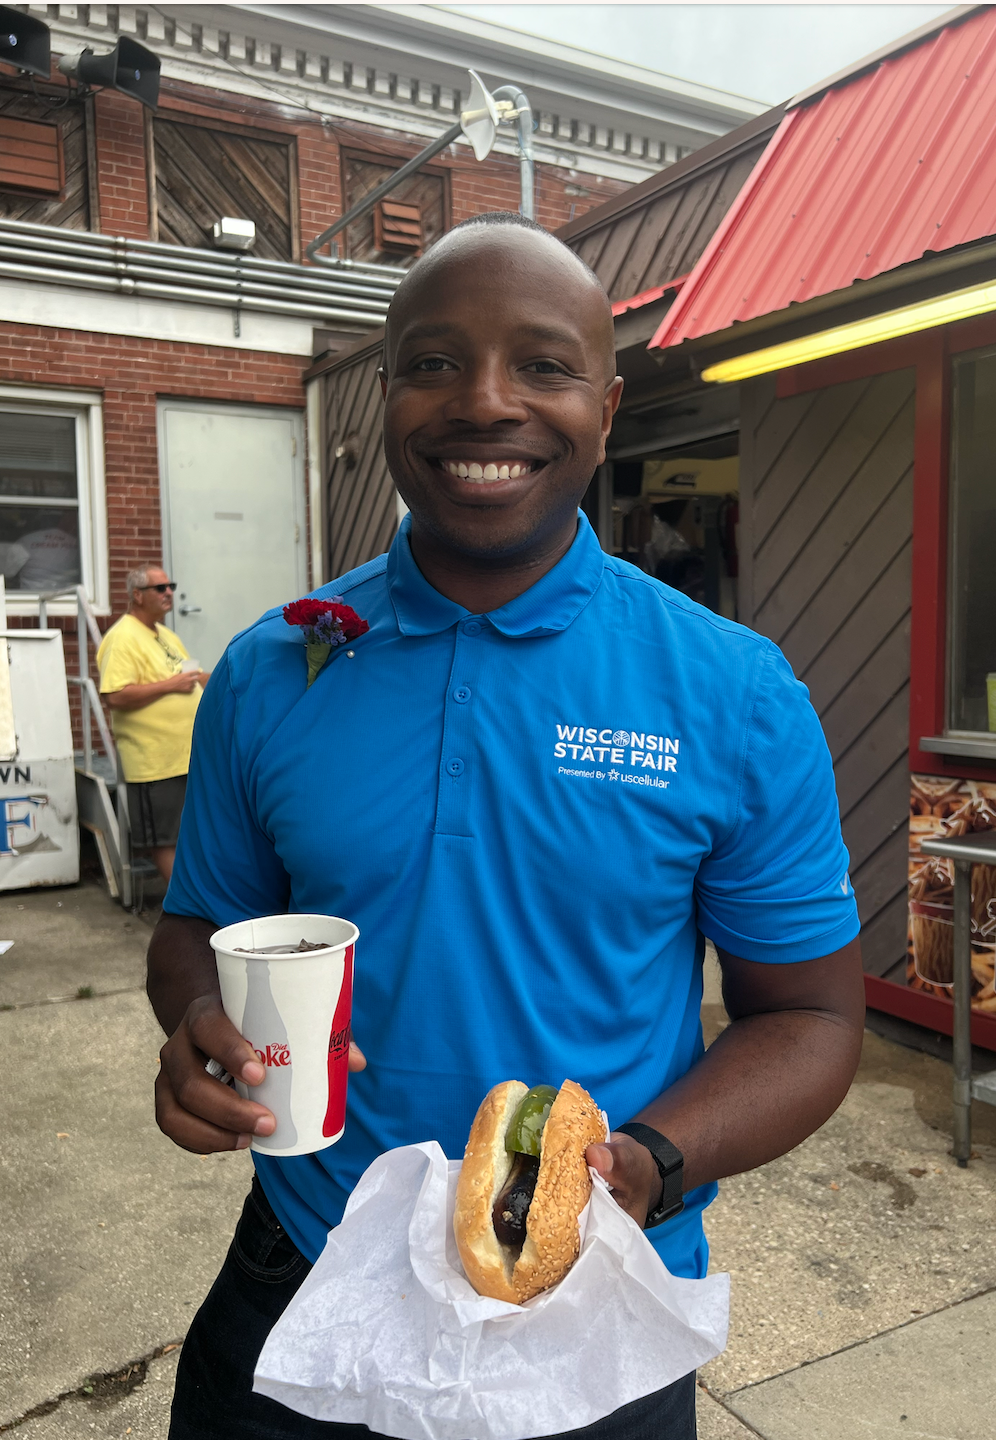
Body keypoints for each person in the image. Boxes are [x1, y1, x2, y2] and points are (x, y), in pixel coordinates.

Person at [149, 214, 865, 1440]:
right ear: (387, 398)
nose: (485, 403)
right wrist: (204, 1035)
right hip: (309, 1261)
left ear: (607, 403)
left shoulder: (733, 692)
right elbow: (201, 928)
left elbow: (807, 1017)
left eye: (542, 364)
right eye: (434, 362)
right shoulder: (277, 667)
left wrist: (649, 1160)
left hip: (594, 1285)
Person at [97, 564, 209, 883]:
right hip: (154, 761)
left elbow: (194, 676)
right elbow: (115, 695)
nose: (169, 592)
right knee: (165, 838)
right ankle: (185, 911)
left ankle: (196, 901)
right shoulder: (122, 637)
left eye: (170, 586)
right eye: (160, 588)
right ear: (137, 595)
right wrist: (170, 686)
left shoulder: (167, 635)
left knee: (190, 834)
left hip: (185, 756)